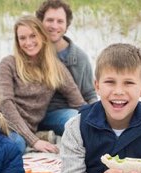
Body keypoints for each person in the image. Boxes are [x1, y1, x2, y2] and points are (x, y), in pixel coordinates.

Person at [58, 43, 141, 173]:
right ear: (97, 86)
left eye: (128, 83)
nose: (118, 91)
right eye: (110, 82)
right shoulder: (76, 127)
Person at [0, 15, 85, 154]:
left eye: (33, 36)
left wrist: (105, 121)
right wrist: (33, 141)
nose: (28, 42)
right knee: (16, 145)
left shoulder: (55, 67)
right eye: (22, 38)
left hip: (33, 124)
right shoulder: (8, 63)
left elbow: (77, 101)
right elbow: (5, 103)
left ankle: (38, 135)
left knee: (75, 117)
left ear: (42, 36)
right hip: (6, 124)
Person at [36, 0, 97, 135]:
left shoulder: (80, 58)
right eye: (50, 20)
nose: (54, 26)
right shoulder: (31, 51)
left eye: (60, 21)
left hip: (66, 112)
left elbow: (90, 94)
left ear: (67, 25)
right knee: (75, 119)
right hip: (32, 114)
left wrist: (95, 113)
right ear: (40, 22)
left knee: (79, 118)